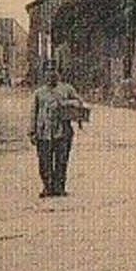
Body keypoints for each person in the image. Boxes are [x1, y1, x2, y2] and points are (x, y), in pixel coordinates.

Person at [29, 63, 86, 198]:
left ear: (59, 74)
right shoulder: (39, 93)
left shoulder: (67, 89)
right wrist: (31, 132)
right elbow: (33, 113)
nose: (51, 74)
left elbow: (79, 103)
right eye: (48, 71)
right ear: (44, 75)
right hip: (44, 132)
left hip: (63, 131)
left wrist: (65, 103)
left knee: (61, 160)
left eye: (54, 71)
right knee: (44, 161)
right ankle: (47, 187)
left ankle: (59, 187)